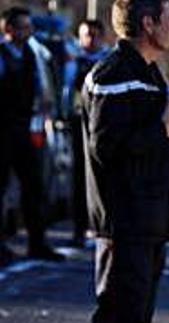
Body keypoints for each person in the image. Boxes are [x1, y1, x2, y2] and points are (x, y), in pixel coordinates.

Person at [62, 0, 169, 323]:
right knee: (118, 315)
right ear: (148, 24)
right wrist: (166, 129)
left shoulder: (145, 72)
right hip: (126, 218)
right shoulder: (117, 73)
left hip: (146, 217)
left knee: (134, 320)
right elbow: (107, 145)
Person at [0, 6, 64, 264]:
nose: (28, 32)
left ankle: (37, 242)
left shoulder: (31, 54)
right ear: (8, 29)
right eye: (23, 27)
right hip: (3, 129)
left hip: (25, 127)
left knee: (34, 186)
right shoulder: (3, 55)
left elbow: (42, 87)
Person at [68, 19, 110, 247]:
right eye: (86, 35)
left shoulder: (108, 62)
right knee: (79, 177)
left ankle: (100, 226)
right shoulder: (72, 61)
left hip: (102, 126)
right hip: (78, 123)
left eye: (95, 35)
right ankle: (79, 228)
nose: (90, 40)